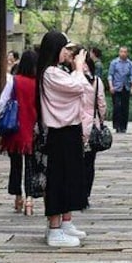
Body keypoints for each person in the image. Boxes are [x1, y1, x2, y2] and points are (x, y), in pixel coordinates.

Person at [36, 31, 89, 247]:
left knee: (70, 178)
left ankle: (65, 222)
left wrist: (76, 70)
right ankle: (55, 228)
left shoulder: (57, 71)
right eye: (65, 48)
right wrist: (78, 67)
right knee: (59, 179)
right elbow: (79, 87)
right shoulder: (50, 73)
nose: (68, 52)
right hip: (61, 131)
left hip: (69, 130)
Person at [0, 50, 39, 215]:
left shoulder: (14, 81)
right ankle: (30, 200)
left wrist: (1, 121)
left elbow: (2, 102)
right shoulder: (39, 83)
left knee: (15, 165)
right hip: (32, 129)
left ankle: (18, 197)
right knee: (31, 165)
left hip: (15, 129)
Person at [80, 55, 107, 208]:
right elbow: (101, 104)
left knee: (76, 162)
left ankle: (77, 194)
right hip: (92, 125)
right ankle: (86, 195)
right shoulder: (97, 82)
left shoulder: (73, 79)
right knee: (89, 163)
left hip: (75, 125)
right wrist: (101, 121)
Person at [108, 46, 132, 133]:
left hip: (125, 87)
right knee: (117, 107)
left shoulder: (130, 64)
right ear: (119, 52)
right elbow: (110, 75)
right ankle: (117, 126)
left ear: (127, 53)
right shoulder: (114, 63)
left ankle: (123, 126)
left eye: (125, 52)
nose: (123, 53)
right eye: (121, 52)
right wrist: (111, 86)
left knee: (124, 107)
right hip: (116, 87)